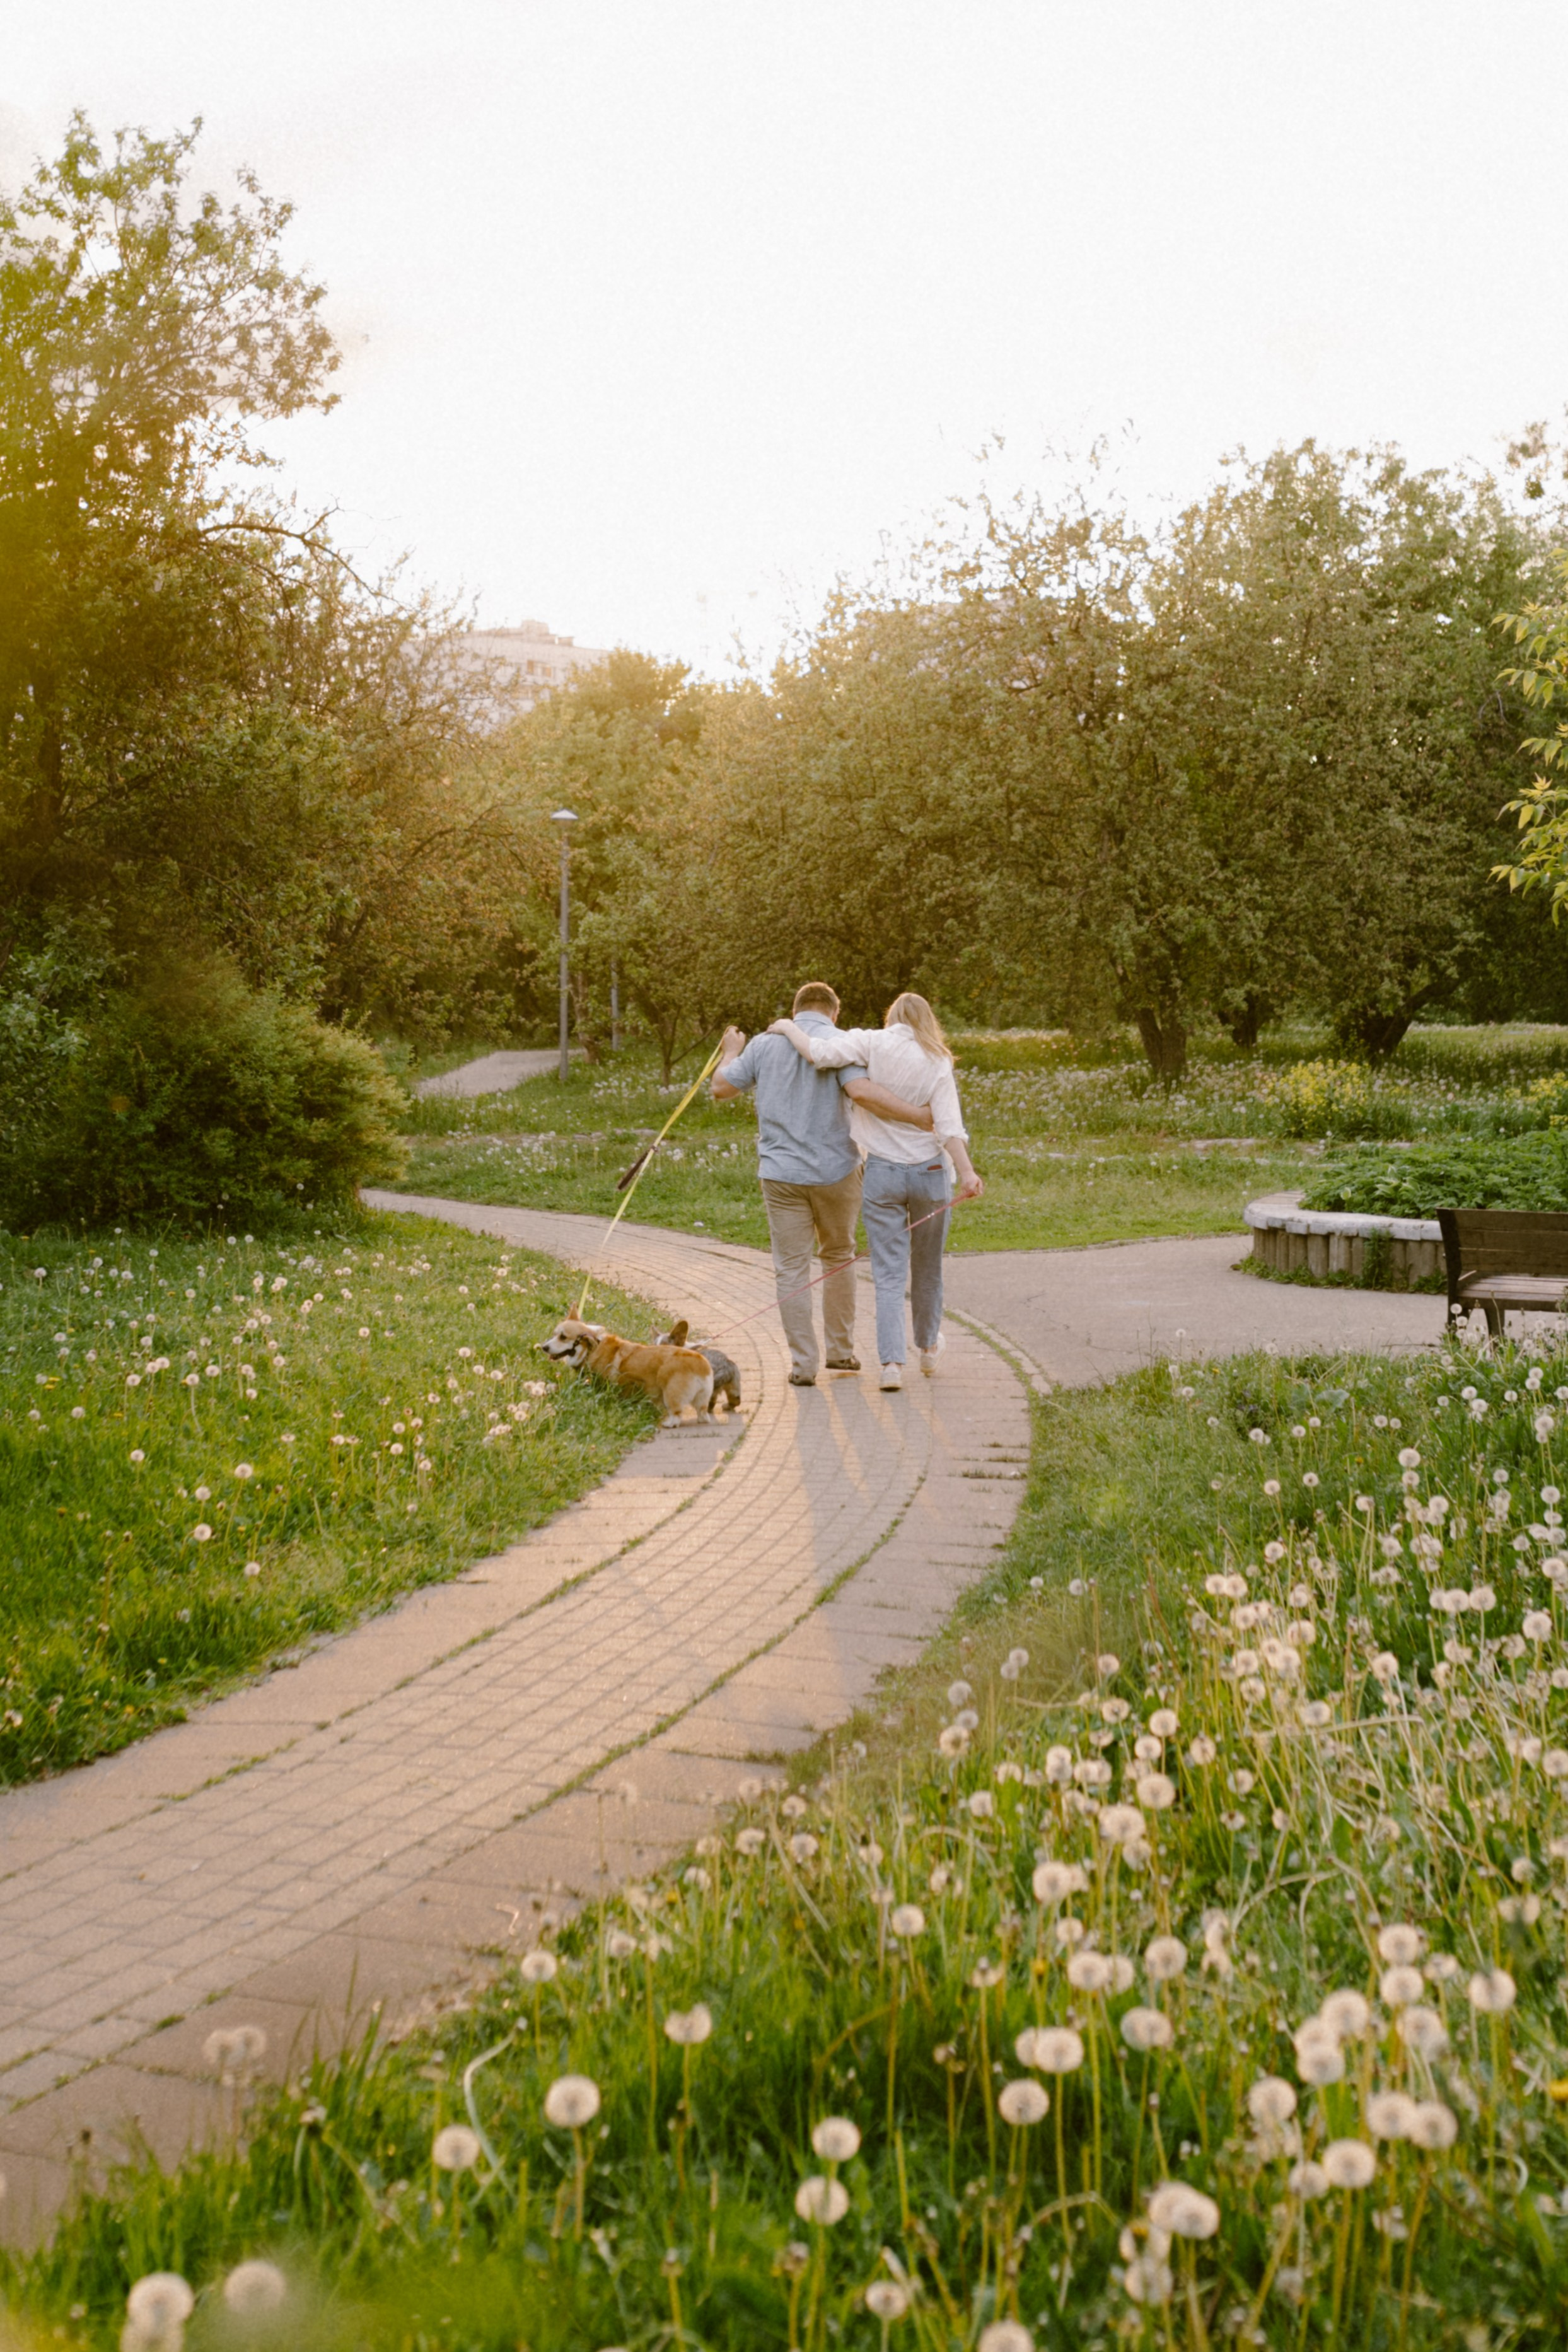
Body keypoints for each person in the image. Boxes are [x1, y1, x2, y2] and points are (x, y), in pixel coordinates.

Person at [712, 981, 936, 1386]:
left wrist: (730, 1051)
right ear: (835, 1011)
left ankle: (803, 1365)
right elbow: (862, 1093)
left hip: (780, 1176)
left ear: (796, 1011)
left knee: (791, 1268)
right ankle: (842, 1352)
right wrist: (918, 1117)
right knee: (838, 1256)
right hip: (838, 1171)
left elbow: (721, 1088)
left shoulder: (764, 1045)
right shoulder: (843, 1044)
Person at [768, 991, 982, 1391]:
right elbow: (949, 1125)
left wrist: (786, 1027)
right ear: (927, 1020)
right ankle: (929, 1348)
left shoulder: (870, 1041)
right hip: (931, 1171)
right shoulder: (937, 1058)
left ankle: (891, 1366)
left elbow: (816, 1052)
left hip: (882, 1171)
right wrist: (968, 1172)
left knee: (887, 1273)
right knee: (928, 1267)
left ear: (893, 1017)